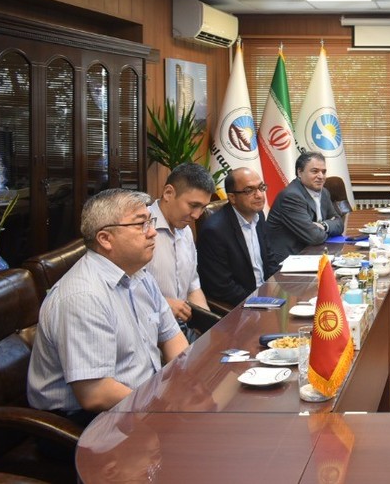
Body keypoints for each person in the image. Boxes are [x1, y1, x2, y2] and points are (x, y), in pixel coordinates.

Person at [27, 189, 186, 427]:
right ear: (105, 239)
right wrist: (160, 409)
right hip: (89, 420)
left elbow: (172, 337)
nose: (153, 232)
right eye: (140, 224)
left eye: (150, 221)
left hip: (142, 398)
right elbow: (96, 394)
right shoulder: (83, 296)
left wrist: (184, 384)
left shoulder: (139, 274)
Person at [146, 162, 213, 337]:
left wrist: (208, 326)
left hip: (184, 329)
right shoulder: (139, 228)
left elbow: (192, 287)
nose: (197, 215)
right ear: (168, 193)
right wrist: (163, 304)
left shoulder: (186, 231)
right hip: (150, 333)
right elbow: (123, 294)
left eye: (203, 208)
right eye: (193, 205)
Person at [196, 167, 276, 307]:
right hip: (240, 306)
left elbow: (270, 260)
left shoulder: (258, 215)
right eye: (249, 190)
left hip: (267, 296)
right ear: (232, 197)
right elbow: (222, 287)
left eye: (261, 187)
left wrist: (279, 290)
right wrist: (261, 302)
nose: (259, 195)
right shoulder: (214, 231)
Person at [264, 151, 345, 267]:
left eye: (323, 172)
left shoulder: (324, 192)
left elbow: (339, 223)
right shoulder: (292, 196)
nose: (321, 176)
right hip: (288, 263)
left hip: (311, 254)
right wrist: (326, 228)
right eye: (315, 171)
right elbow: (315, 237)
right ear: (299, 172)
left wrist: (323, 225)